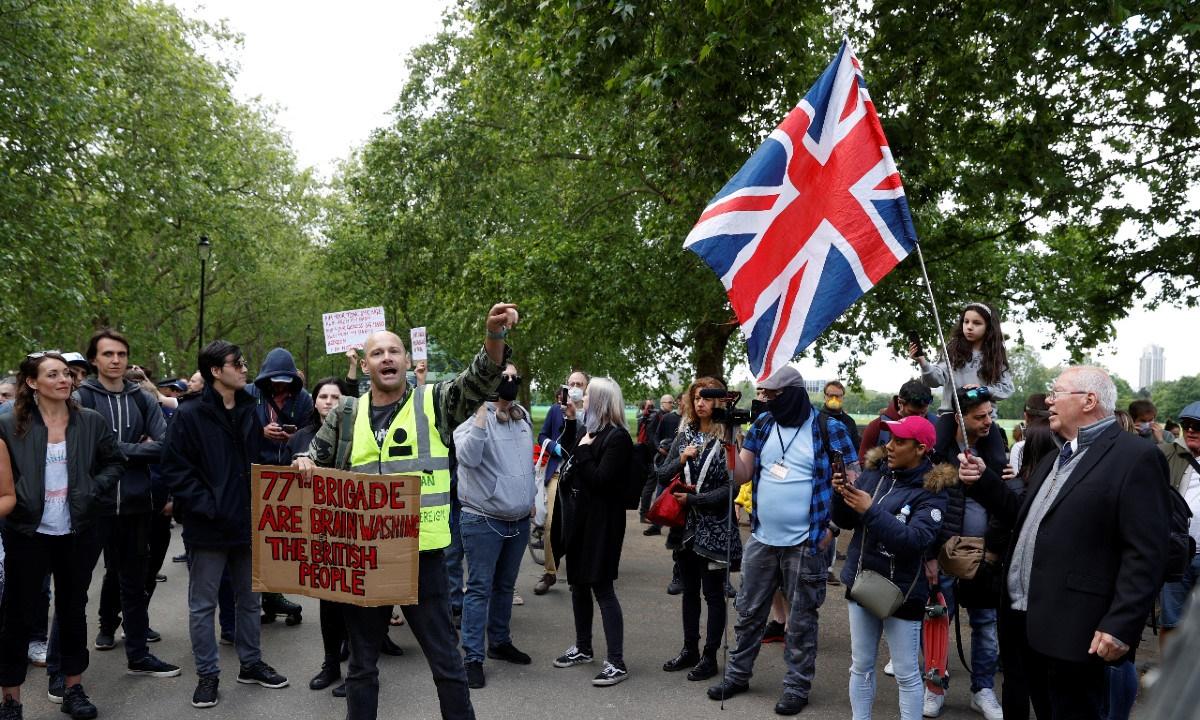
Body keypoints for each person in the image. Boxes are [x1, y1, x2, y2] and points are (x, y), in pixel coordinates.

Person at [296, 302, 517, 720]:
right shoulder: (346, 412)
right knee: (361, 666)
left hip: (424, 558)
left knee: (446, 664)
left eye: (394, 351)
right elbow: (313, 455)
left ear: (408, 361)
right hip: (365, 558)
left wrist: (495, 335)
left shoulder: (435, 402)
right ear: (364, 365)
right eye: (377, 353)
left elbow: (480, 380)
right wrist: (305, 461)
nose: (387, 359)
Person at [959, 366, 1169, 718]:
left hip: (1077, 631)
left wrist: (1120, 624)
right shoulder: (1056, 457)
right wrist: (983, 480)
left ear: (1089, 400)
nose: (1049, 402)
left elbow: (1146, 553)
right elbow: (1023, 516)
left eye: (1057, 393)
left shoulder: (1135, 457)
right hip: (1026, 624)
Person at [707, 366, 858, 715]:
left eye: (773, 396)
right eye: (763, 395)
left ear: (793, 393)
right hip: (762, 538)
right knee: (748, 611)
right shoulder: (762, 426)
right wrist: (731, 436)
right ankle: (739, 674)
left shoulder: (827, 428)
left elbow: (852, 480)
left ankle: (796, 687)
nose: (767, 401)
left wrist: (831, 528)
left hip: (806, 541)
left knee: (802, 618)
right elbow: (741, 473)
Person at [161, 340, 290, 709]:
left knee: (250, 601)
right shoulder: (190, 414)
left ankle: (250, 664)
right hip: (208, 526)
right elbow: (175, 468)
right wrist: (208, 505)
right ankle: (208, 676)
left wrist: (277, 448)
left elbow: (250, 460)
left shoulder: (250, 409)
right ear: (216, 371)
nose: (245, 368)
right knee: (203, 605)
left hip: (248, 522)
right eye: (238, 363)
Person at [0, 352, 123, 720]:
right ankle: (10, 699)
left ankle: (73, 689)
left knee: (72, 611)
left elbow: (115, 462)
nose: (64, 380)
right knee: (17, 617)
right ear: (33, 383)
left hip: (78, 531)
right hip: (26, 531)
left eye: (66, 374)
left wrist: (91, 488)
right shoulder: (9, 424)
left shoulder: (91, 422)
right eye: (52, 374)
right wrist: (18, 495)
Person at [74, 329, 180, 681]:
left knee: (135, 584)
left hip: (137, 505)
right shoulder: (80, 397)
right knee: (75, 589)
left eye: (121, 354)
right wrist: (133, 448)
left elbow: (164, 445)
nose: (115, 360)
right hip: (93, 506)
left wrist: (114, 450)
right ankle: (64, 671)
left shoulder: (141, 398)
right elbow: (80, 450)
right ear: (94, 359)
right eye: (108, 354)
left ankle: (139, 655)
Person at [832, 415, 952, 719]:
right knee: (860, 666)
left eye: (899, 441)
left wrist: (870, 509)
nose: (889, 446)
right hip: (862, 583)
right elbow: (848, 522)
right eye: (889, 439)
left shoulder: (934, 490)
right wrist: (841, 496)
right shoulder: (875, 472)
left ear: (921, 448)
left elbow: (914, 541)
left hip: (902, 593)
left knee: (907, 674)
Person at [924, 388, 1007, 720]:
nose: (988, 421)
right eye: (980, 416)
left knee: (986, 624)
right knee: (937, 622)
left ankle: (983, 689)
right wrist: (929, 555)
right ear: (959, 417)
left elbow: (1005, 502)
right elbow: (924, 503)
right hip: (943, 552)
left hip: (984, 556)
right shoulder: (937, 450)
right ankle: (934, 688)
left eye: (990, 414)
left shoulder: (997, 447)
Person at [453, 363, 536, 689]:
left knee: (505, 585)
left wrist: (528, 496)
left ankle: (499, 642)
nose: (511, 383)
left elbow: (524, 462)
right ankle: (473, 656)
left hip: (517, 519)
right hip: (483, 520)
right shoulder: (469, 422)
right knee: (479, 588)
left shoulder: (522, 417)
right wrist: (481, 413)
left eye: (516, 378)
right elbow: (469, 458)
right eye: (505, 378)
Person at [654, 377, 742, 682]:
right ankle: (689, 649)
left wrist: (696, 498)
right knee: (689, 592)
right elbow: (662, 476)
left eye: (706, 398)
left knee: (714, 594)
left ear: (718, 401)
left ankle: (709, 656)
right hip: (686, 528)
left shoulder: (729, 435)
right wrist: (680, 459)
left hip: (716, 527)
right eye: (696, 398)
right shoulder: (685, 433)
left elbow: (732, 487)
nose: (700, 403)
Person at [551, 377, 634, 687]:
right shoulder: (591, 432)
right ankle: (583, 647)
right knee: (578, 586)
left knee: (602, 588)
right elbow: (572, 459)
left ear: (600, 402)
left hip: (603, 525)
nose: (582, 399)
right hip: (581, 521)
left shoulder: (618, 438)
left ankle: (616, 660)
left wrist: (584, 451)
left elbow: (599, 480)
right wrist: (573, 424)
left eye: (587, 397)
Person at [533, 370, 589, 595]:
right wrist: (551, 444)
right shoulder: (556, 410)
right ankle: (550, 572)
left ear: (586, 387)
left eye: (580, 383)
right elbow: (542, 435)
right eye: (572, 383)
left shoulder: (593, 412)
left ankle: (581, 572)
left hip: (583, 476)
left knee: (581, 527)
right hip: (557, 473)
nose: (575, 386)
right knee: (550, 525)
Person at [909, 302, 1014, 413]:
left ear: (988, 327)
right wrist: (922, 362)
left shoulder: (995, 356)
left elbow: (1007, 388)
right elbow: (934, 380)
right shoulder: (952, 351)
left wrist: (983, 390)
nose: (969, 327)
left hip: (984, 417)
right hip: (951, 414)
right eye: (966, 321)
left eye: (977, 323)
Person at [1157, 400, 1200, 652]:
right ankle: (1168, 682)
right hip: (1177, 554)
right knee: (1171, 622)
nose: (1191, 430)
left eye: (1198, 426)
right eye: (1187, 425)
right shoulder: (1166, 453)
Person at [858, 379, 934, 459]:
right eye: (913, 413)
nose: (919, 418)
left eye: (923, 412)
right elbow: (863, 462)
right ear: (899, 403)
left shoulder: (934, 424)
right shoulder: (877, 426)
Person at [822, 381, 861, 452]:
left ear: (843, 397)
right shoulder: (816, 419)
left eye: (837, 396)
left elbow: (856, 447)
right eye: (831, 395)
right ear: (825, 397)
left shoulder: (849, 421)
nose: (834, 399)